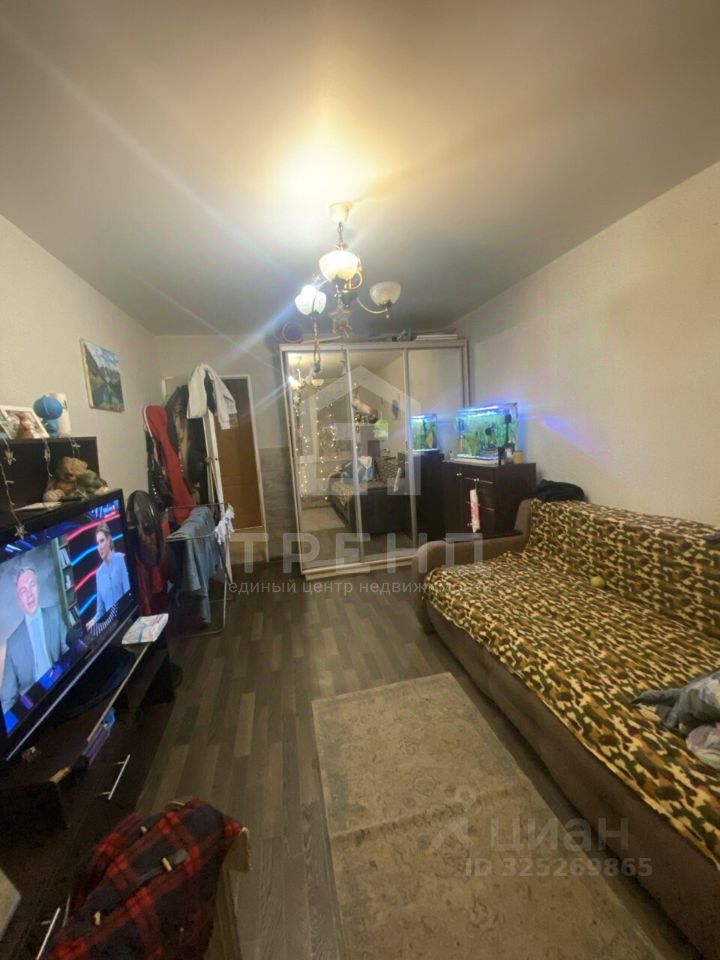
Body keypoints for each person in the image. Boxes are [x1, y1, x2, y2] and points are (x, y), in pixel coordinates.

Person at [1, 565, 70, 714]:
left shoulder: (54, 614)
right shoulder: (13, 643)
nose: (29, 594)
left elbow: (69, 653)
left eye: (32, 585)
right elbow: (7, 700)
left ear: (38, 588)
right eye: (23, 591)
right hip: (34, 709)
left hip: (61, 690)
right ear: (19, 600)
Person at [87, 523, 130, 628]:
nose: (99, 547)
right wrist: (93, 620)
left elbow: (127, 591)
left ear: (109, 540)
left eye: (102, 541)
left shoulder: (119, 558)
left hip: (125, 617)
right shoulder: (98, 574)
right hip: (110, 625)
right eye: (98, 543)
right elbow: (100, 610)